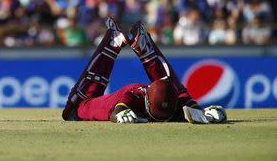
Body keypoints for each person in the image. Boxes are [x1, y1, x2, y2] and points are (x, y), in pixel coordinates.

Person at [62, 17, 227, 124]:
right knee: (75, 109)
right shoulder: (131, 97)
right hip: (99, 104)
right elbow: (113, 109)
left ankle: (145, 48)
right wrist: (118, 113)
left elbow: (190, 106)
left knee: (178, 90)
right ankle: (112, 41)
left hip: (166, 95)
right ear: (147, 102)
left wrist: (210, 113)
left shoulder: (174, 101)